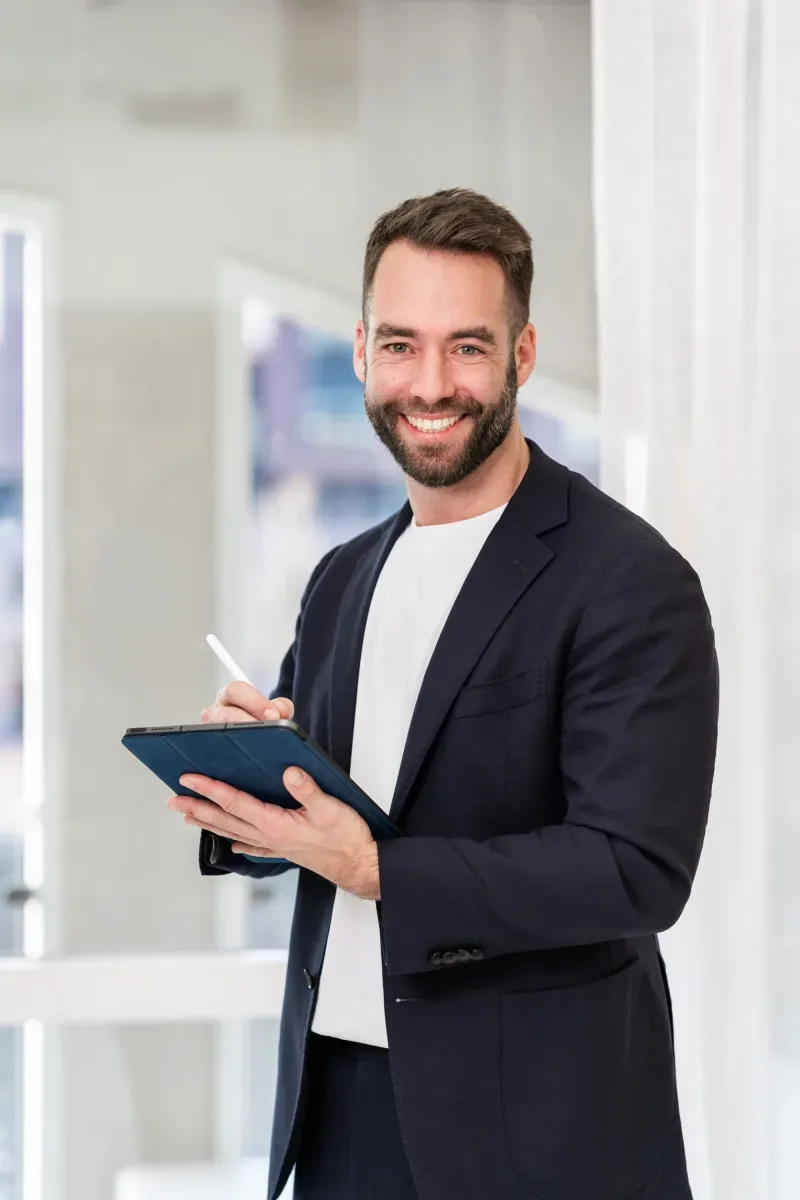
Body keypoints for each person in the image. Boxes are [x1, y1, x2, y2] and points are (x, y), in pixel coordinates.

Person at [167, 188, 719, 1200]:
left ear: (522, 354)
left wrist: (377, 868)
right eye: (400, 345)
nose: (430, 383)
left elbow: (635, 868)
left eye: (467, 347)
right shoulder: (341, 577)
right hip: (340, 1109)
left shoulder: (628, 579)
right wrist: (245, 788)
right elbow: (322, 802)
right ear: (360, 351)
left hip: (539, 1136)